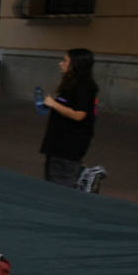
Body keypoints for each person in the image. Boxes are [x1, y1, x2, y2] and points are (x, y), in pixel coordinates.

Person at [40, 48, 98, 187]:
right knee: (53, 178)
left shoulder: (84, 86)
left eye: (65, 61)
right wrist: (54, 103)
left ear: (76, 64)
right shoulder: (71, 83)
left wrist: (54, 104)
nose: (61, 63)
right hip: (58, 142)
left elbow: (79, 114)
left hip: (68, 145)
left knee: (60, 182)